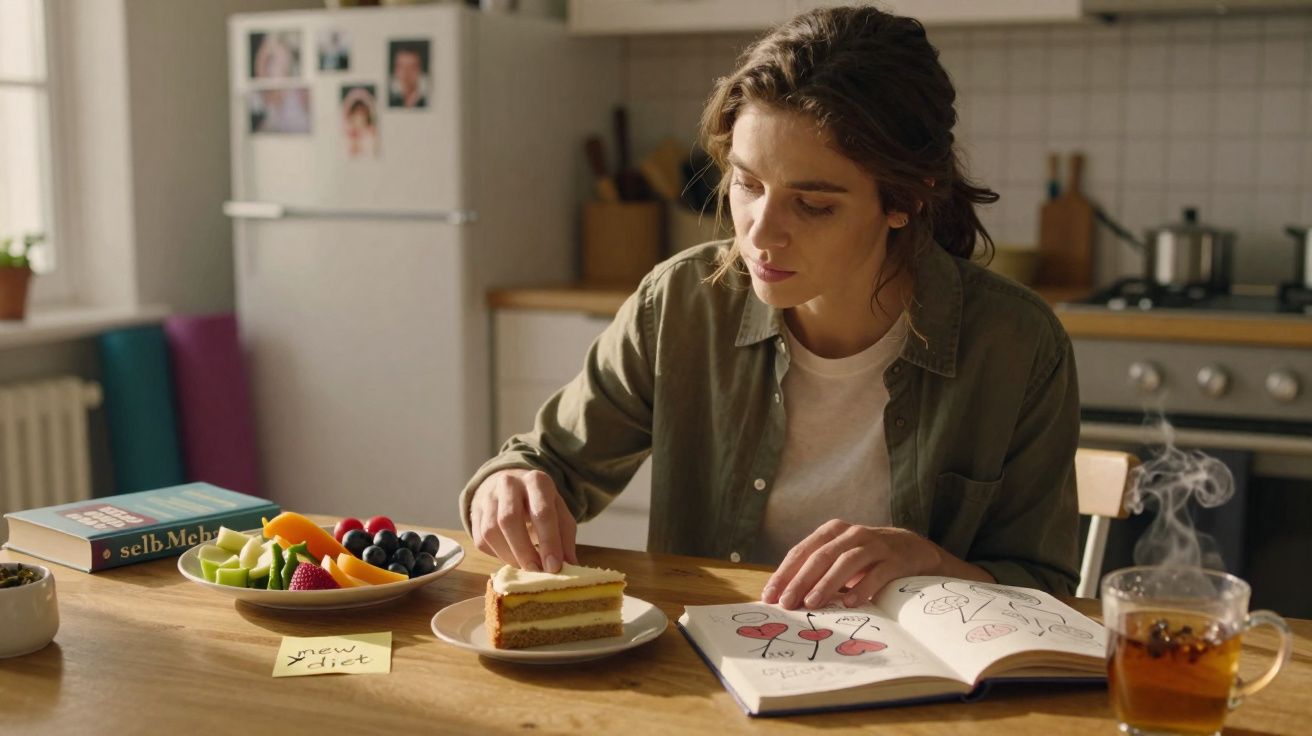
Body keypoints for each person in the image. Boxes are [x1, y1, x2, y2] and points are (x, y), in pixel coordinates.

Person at [458, 5, 1081, 609]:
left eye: (813, 204)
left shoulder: (1016, 344)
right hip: (708, 673)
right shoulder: (679, 305)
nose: (760, 233)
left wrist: (928, 562)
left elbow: (1045, 594)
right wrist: (505, 485)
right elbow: (543, 462)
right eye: (747, 184)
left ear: (906, 201)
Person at [388, 42, 428, 109]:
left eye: (412, 67)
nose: (406, 73)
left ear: (420, 70)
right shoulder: (390, 98)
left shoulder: (427, 99)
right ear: (395, 70)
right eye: (401, 67)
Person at [342, 86, 379, 157]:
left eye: (362, 112)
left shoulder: (373, 136)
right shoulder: (344, 137)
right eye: (356, 112)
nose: (359, 116)